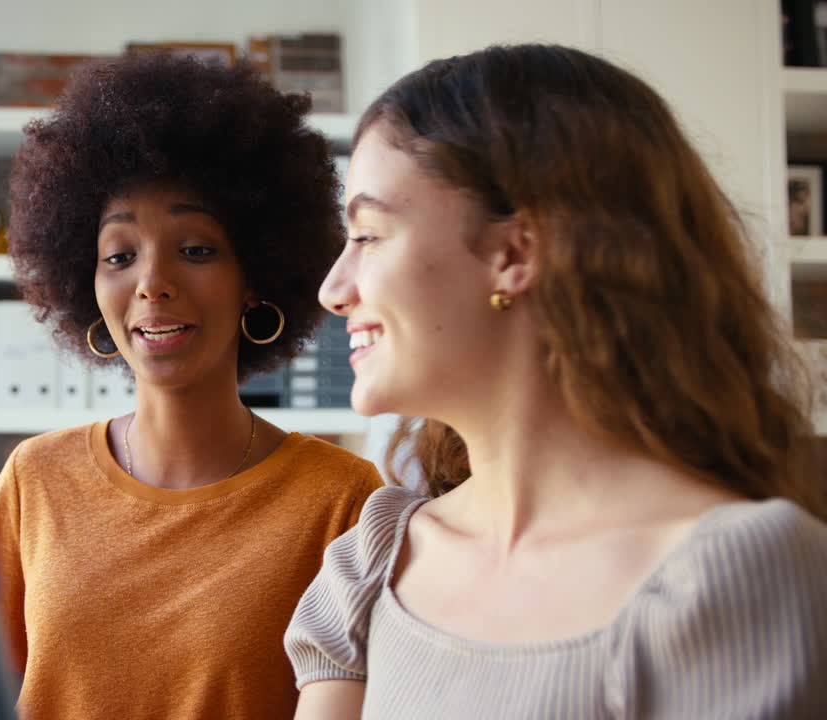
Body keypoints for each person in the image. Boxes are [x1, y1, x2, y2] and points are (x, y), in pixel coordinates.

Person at [284, 43, 827, 718]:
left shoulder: (729, 574)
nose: (334, 290)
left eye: (368, 235)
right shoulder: (374, 559)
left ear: (515, 253)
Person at [0, 50, 384, 720]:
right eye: (119, 255)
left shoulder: (342, 503)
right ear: (86, 282)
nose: (152, 282)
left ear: (256, 274)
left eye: (195, 249)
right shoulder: (34, 481)